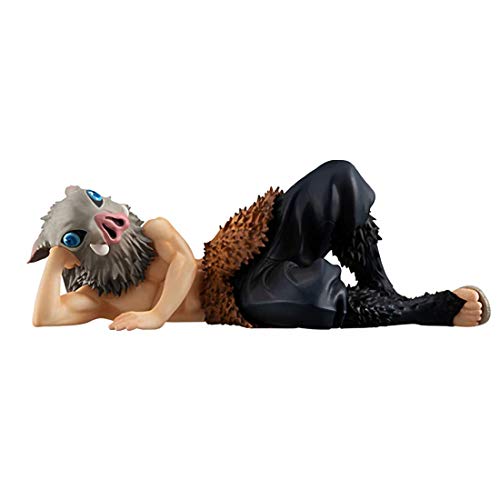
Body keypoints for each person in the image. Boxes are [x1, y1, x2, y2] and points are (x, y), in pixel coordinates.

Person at [29, 161, 489, 330]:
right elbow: (45, 318)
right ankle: (421, 310)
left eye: (95, 201)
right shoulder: (98, 299)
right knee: (292, 299)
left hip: (241, 256)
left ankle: (382, 288)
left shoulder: (155, 231)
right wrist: (54, 262)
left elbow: (185, 266)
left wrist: (155, 315)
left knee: (337, 179)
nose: (106, 223)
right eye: (79, 235)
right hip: (237, 300)